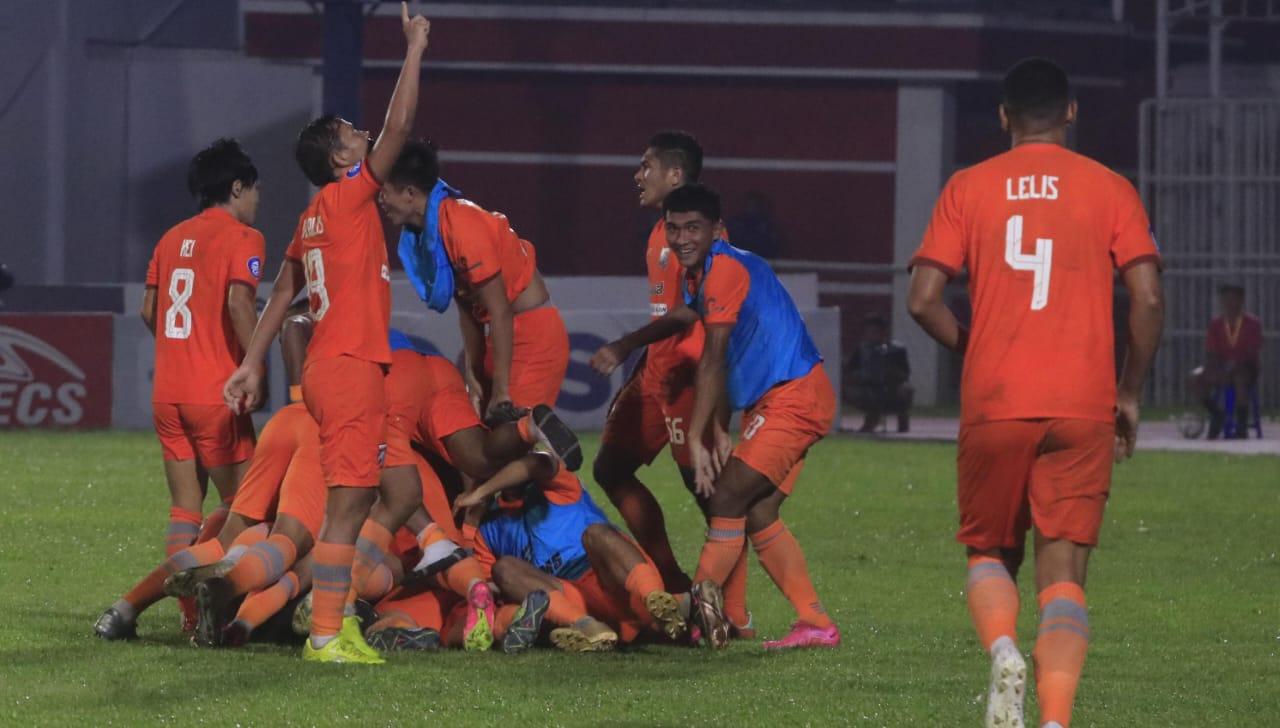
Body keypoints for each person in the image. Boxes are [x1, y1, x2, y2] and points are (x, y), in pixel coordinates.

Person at [906, 58, 1164, 728]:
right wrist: (1130, 392)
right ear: (1071, 112)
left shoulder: (968, 186)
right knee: (1064, 572)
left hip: (995, 399)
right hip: (1082, 403)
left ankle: (1002, 649)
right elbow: (1147, 297)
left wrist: (977, 348)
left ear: (1003, 117)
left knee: (990, 551)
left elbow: (923, 299)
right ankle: (1054, 719)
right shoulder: (1110, 188)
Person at [223, 3, 451, 664]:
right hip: (349, 367)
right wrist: (414, 47)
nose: (365, 134)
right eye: (354, 132)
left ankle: (339, 606)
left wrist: (252, 362)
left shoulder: (313, 216)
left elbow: (283, 290)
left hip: (343, 369)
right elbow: (401, 126)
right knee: (349, 505)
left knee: (401, 491)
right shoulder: (350, 194)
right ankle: (326, 633)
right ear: (340, 156)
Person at [647, 183, 840, 651]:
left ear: (717, 229)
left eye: (693, 228)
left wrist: (699, 435)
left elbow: (714, 359)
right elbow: (730, 359)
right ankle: (815, 622)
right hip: (782, 398)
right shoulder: (704, 276)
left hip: (793, 397)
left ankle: (697, 615)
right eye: (673, 228)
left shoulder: (725, 271)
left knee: (728, 495)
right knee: (758, 510)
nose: (681, 238)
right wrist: (718, 426)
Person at [586, 131, 754, 637]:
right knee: (611, 467)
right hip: (655, 374)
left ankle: (734, 615)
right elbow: (668, 313)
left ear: (674, 174)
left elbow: (700, 317)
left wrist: (715, 406)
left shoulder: (700, 239)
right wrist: (638, 368)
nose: (638, 175)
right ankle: (674, 583)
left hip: (688, 379)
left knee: (711, 495)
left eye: (647, 166)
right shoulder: (661, 232)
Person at [142, 137, 264, 630]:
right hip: (215, 394)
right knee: (247, 507)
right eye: (254, 190)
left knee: (184, 509)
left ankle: (189, 616)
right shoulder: (242, 237)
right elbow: (239, 303)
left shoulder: (170, 238)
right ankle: (230, 602)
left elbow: (149, 310)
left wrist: (181, 349)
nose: (256, 201)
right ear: (236, 188)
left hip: (168, 393)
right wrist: (254, 364)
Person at [380, 140, 571, 430]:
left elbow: (500, 311)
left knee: (511, 440)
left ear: (409, 194)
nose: (380, 200)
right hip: (502, 337)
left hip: (532, 337)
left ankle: (559, 461)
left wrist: (501, 393)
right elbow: (469, 309)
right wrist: (474, 374)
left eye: (384, 191)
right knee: (487, 442)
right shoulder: (431, 234)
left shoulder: (463, 226)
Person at [453, 449, 688, 653]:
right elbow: (484, 592)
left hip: (613, 577)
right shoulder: (489, 528)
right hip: (570, 596)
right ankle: (586, 627)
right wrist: (471, 522)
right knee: (504, 568)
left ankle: (655, 599)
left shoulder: (554, 483)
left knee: (596, 534)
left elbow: (535, 463)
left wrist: (480, 492)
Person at [1190, 283, 1263, 439]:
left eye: (1234, 299)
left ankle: (1241, 428)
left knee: (1239, 380)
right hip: (1221, 367)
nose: (1230, 303)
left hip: (1245, 368)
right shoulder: (1216, 324)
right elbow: (1211, 351)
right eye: (1226, 299)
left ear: (1241, 300)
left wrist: (1233, 366)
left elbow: (1251, 352)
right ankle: (1216, 413)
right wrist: (1215, 368)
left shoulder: (1252, 323)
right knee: (1194, 378)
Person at [844, 314, 914, 433]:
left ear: (884, 332)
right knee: (854, 392)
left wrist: (892, 372)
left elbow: (905, 373)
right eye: (869, 332)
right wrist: (857, 376)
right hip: (867, 386)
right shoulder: (862, 349)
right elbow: (850, 370)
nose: (871, 335)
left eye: (875, 332)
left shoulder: (897, 349)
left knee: (906, 390)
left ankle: (902, 421)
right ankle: (871, 420)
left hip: (891, 386)